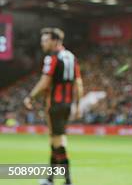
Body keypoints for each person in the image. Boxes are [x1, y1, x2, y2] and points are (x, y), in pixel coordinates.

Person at [23, 28, 83, 185]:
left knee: (58, 142)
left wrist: (30, 96)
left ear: (55, 41)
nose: (43, 43)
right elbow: (78, 83)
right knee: (54, 141)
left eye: (46, 40)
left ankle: (67, 180)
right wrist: (77, 105)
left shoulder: (52, 58)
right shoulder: (72, 57)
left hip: (54, 104)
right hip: (67, 104)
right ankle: (50, 178)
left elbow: (44, 82)